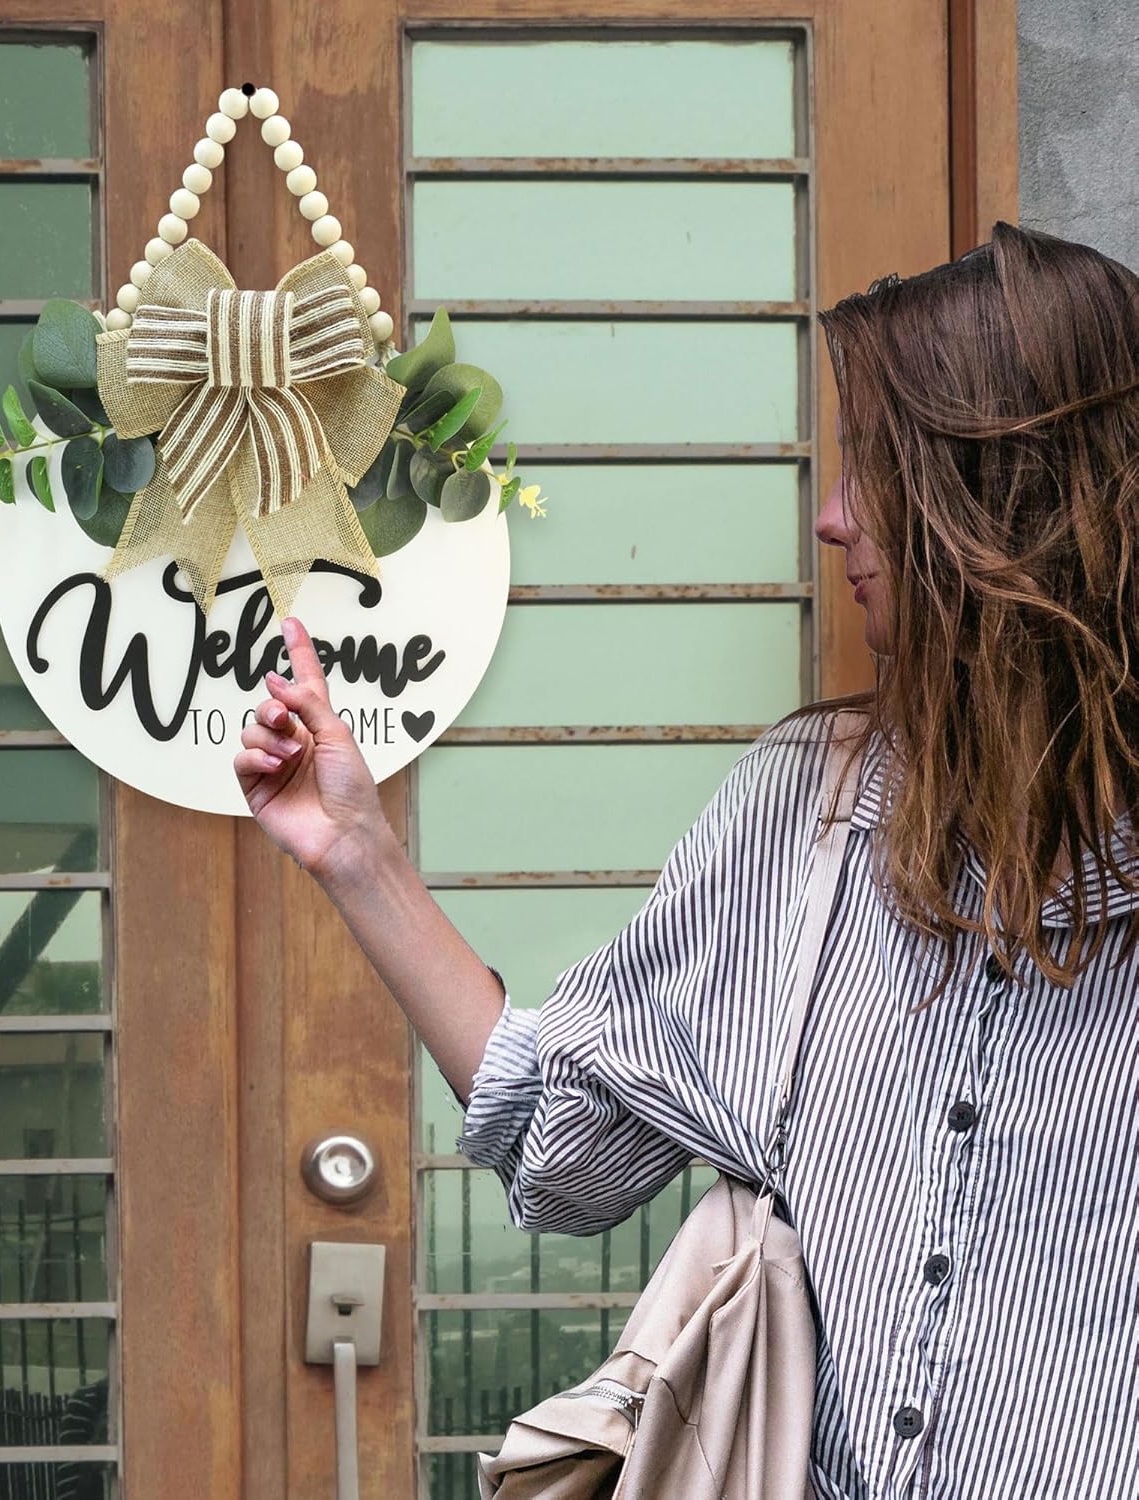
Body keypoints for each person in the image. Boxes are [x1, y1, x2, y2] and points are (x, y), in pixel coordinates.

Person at [232, 221, 1139, 1497]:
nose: (832, 518)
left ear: (1004, 495)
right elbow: (566, 1149)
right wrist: (357, 855)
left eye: (877, 468)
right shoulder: (807, 815)